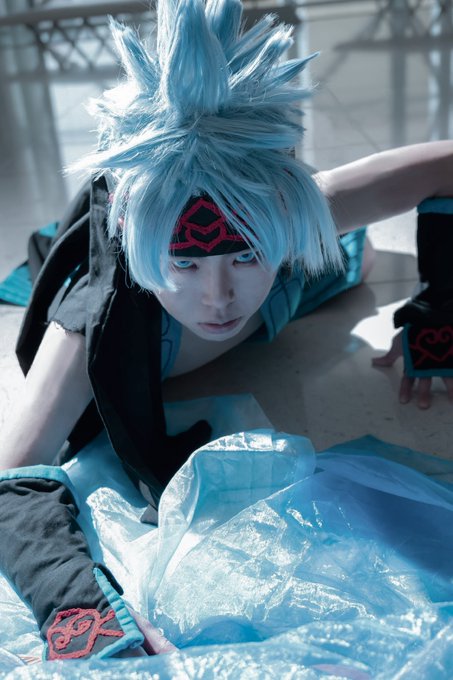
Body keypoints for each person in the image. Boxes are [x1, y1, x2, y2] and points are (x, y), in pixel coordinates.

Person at [0, 0, 452, 662]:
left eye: (242, 257)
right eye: (185, 265)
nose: (217, 297)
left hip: (301, 275)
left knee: (358, 263)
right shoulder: (88, 329)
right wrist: (82, 612)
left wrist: (442, 305)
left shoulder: (292, 215)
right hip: (185, 266)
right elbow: (13, 478)